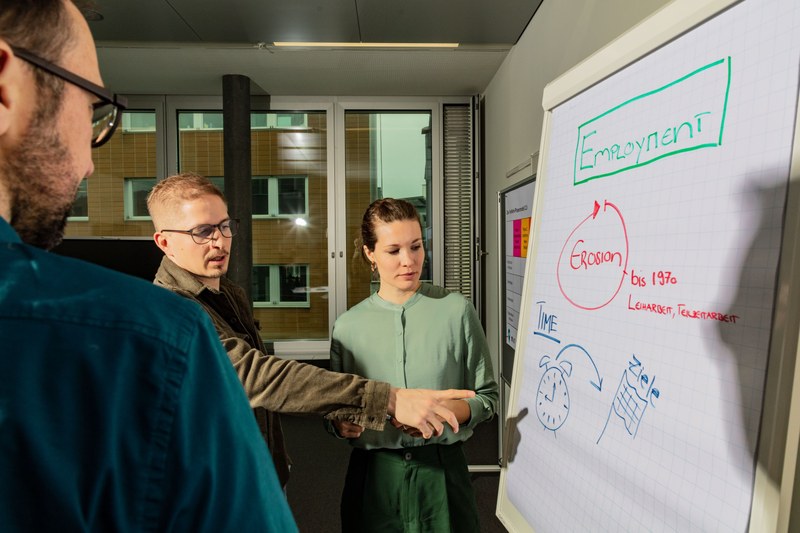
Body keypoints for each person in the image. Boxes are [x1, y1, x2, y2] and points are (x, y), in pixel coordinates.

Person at [0, 1, 296, 531]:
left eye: (224, 226)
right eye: (92, 108)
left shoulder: (224, 299)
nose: (91, 162)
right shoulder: (159, 338)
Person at [146, 172, 475, 489]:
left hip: (256, 475)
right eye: (202, 231)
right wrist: (388, 399)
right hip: (214, 489)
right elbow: (256, 377)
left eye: (224, 226)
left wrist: (278, 459)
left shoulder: (230, 294)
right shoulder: (172, 311)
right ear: (164, 242)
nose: (219, 240)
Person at [328, 198, 498, 532]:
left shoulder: (457, 310)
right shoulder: (347, 327)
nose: (409, 261)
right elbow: (334, 409)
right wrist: (340, 424)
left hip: (442, 474)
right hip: (374, 477)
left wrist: (444, 410)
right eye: (394, 251)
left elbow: (487, 398)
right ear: (370, 254)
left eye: (416, 247)